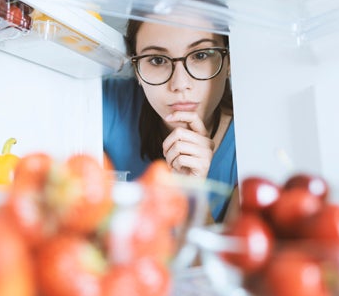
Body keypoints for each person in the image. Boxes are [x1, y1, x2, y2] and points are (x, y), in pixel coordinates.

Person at [102, 11, 238, 222]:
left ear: (229, 61)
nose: (179, 84)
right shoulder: (107, 102)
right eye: (157, 60)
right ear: (136, 69)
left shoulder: (248, 146)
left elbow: (221, 256)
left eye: (200, 55)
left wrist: (191, 191)